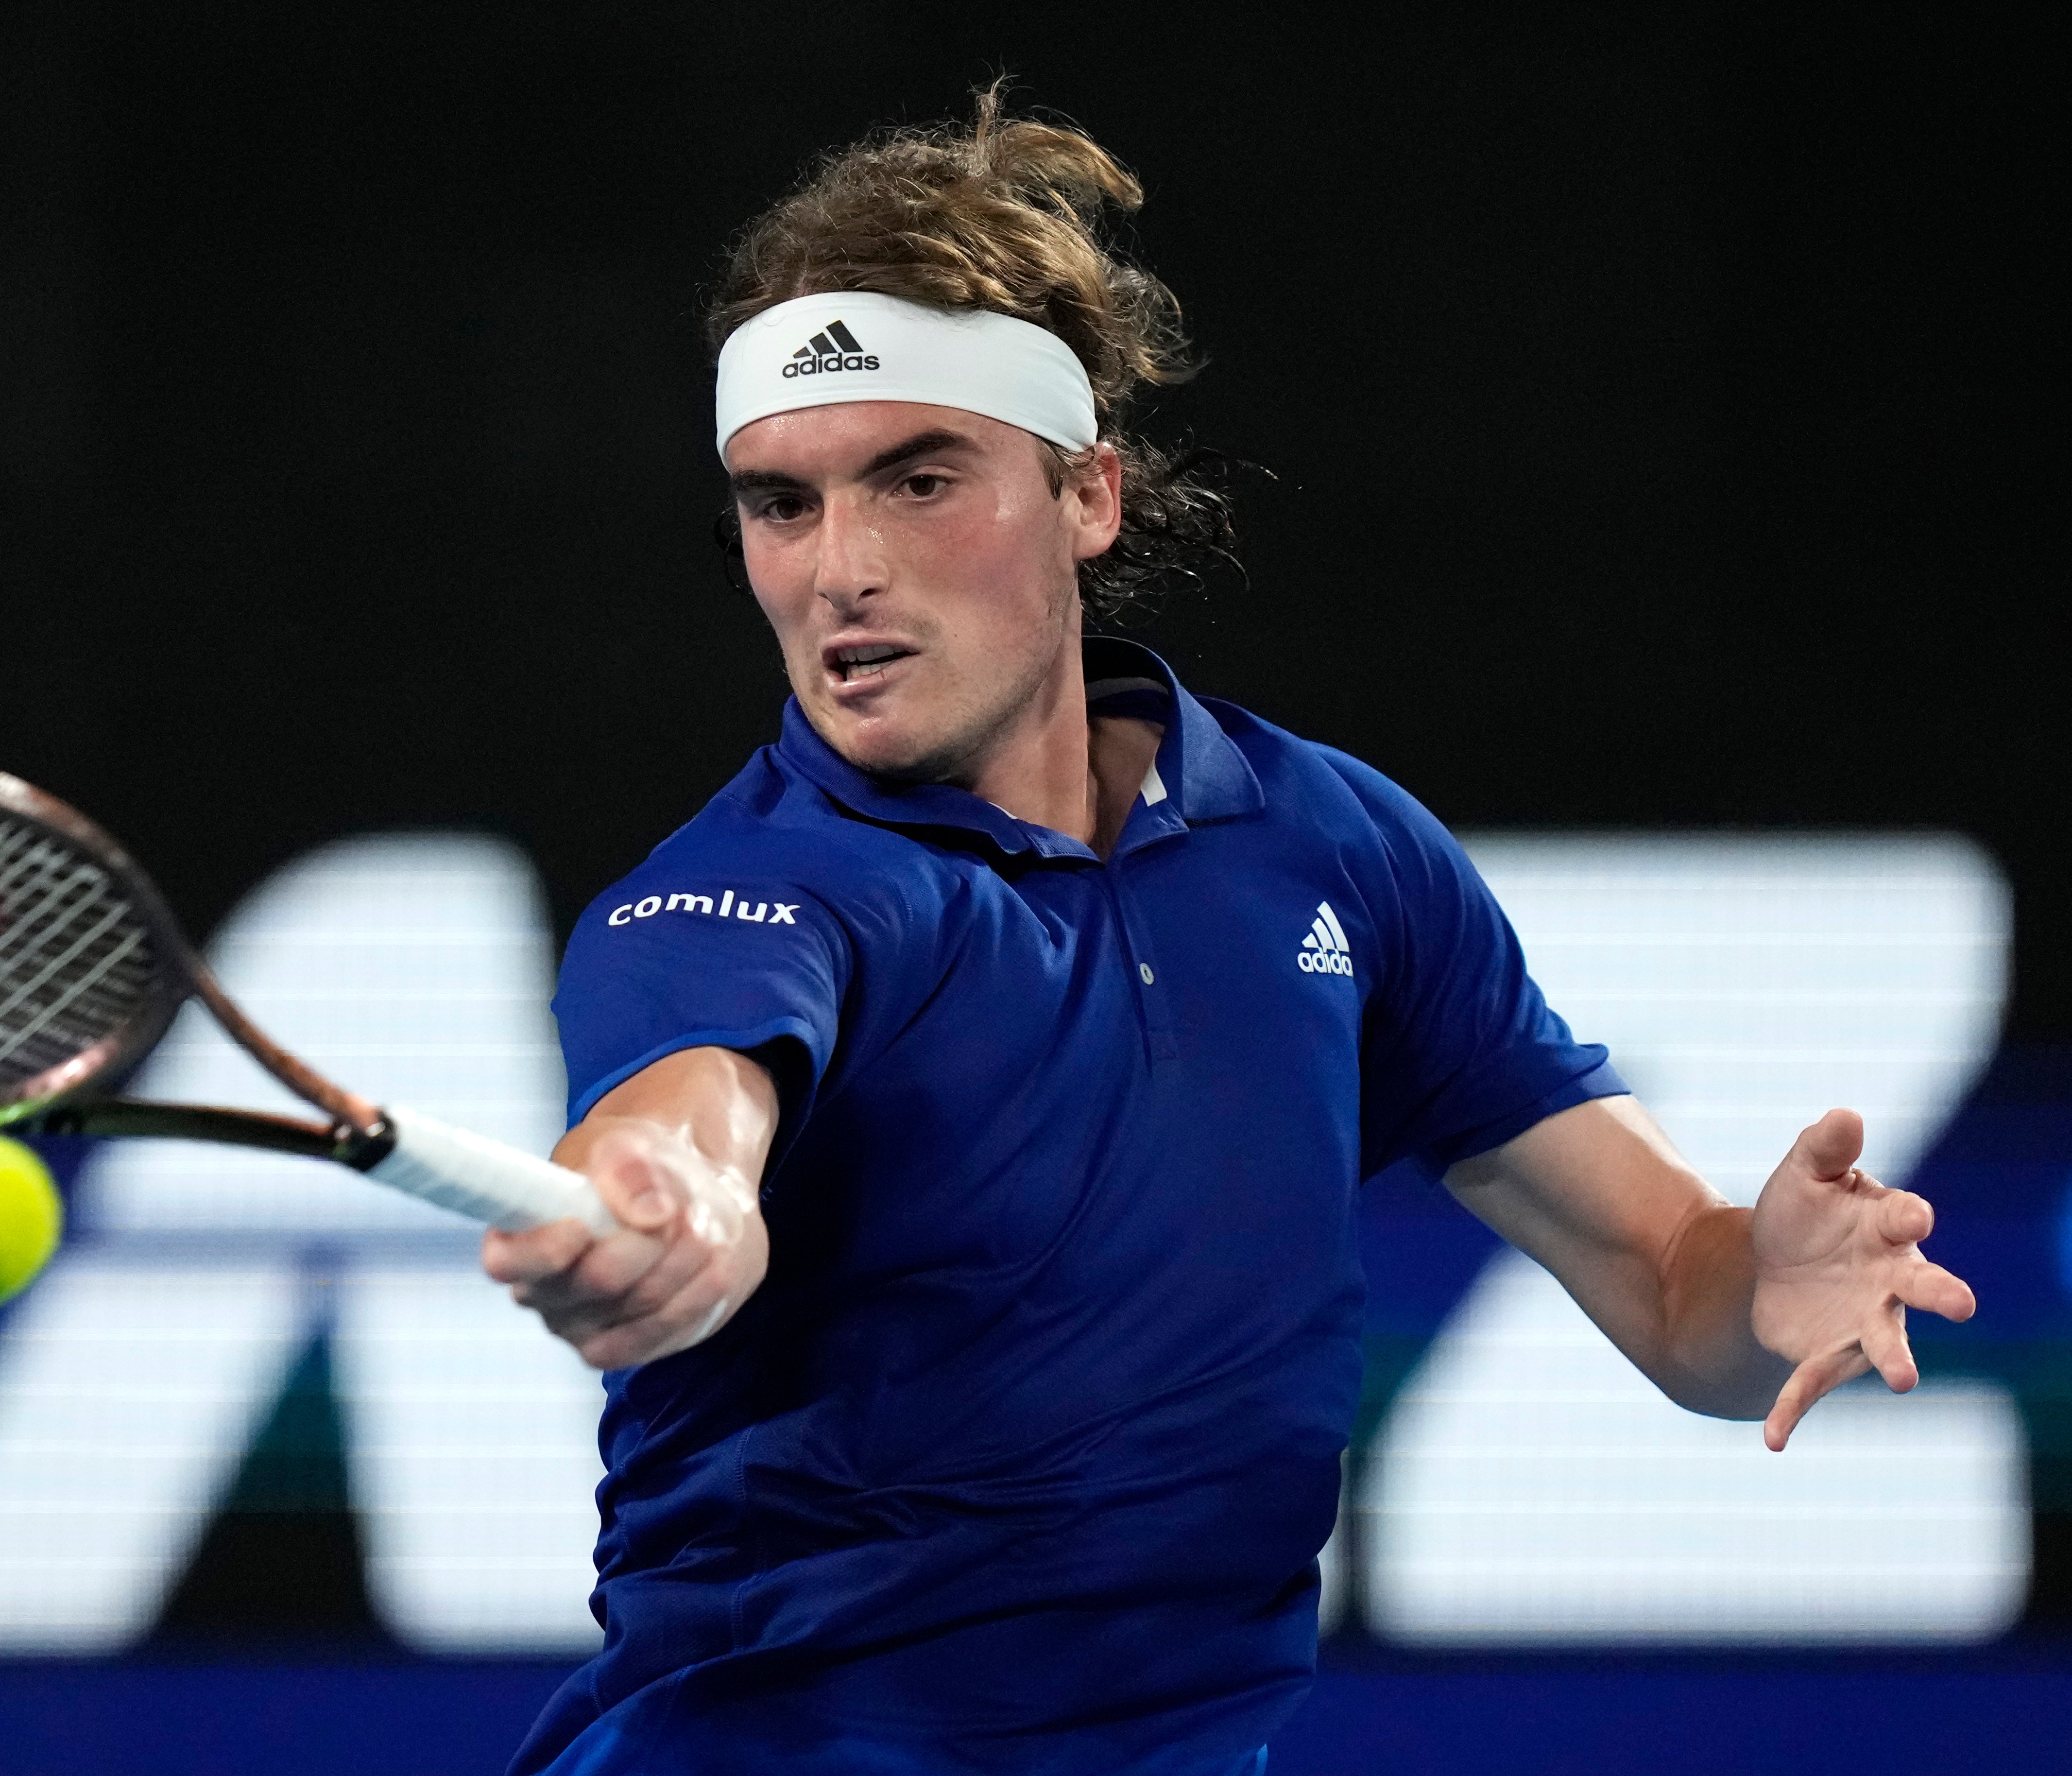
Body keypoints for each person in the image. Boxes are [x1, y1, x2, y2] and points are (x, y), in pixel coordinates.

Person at [481, 90, 1977, 1776]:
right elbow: (689, 1115)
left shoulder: (1331, 845)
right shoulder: (745, 901)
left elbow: (1668, 1279)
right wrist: (673, 1206)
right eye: (782, 503)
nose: (842, 570)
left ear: (1088, 497)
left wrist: (1759, 1285)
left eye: (916, 481)